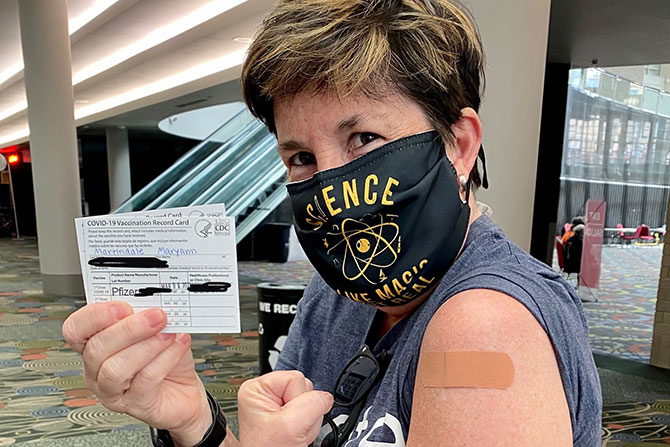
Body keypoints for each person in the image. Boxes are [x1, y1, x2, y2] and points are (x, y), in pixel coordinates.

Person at [62, 1, 602, 446]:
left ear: (459, 146)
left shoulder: (486, 325)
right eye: (301, 157)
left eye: (364, 139)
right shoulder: (337, 294)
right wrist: (191, 420)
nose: (329, 186)